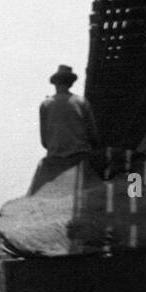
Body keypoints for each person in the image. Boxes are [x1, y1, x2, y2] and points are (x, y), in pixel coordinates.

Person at [30, 64, 102, 194]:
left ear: (55, 83)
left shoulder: (45, 104)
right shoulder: (81, 102)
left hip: (55, 158)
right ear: (71, 83)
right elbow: (94, 136)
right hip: (80, 157)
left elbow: (44, 142)